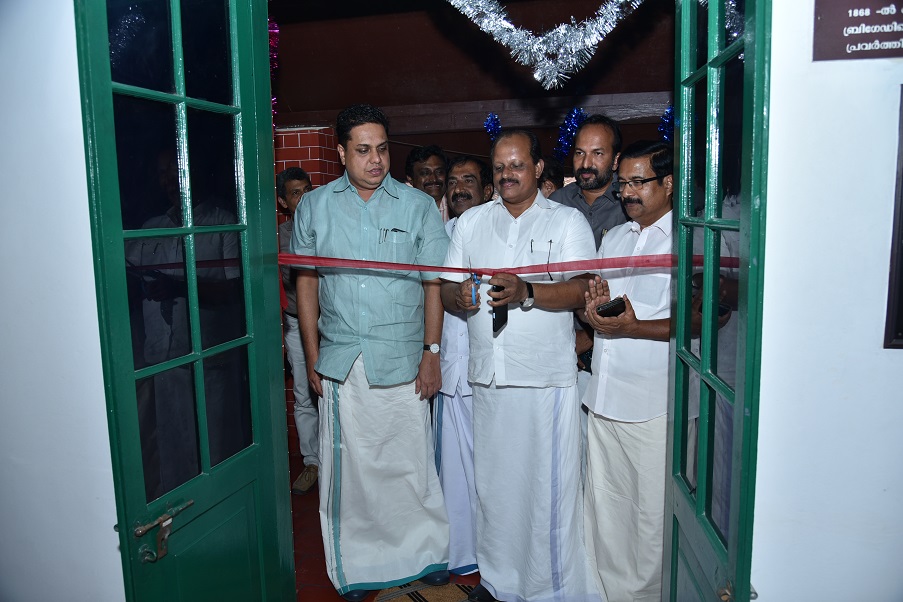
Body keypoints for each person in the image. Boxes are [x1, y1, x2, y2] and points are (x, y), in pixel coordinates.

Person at [289, 104, 451, 602]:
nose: (375, 160)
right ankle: (359, 565)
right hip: (343, 360)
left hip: (403, 358)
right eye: (362, 150)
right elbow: (306, 283)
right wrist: (313, 356)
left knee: (411, 464)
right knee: (352, 473)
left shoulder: (417, 206)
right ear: (341, 153)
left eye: (382, 149)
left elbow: (433, 283)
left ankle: (425, 554)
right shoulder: (314, 207)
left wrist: (432, 352)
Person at [440, 130, 601, 602]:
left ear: (538, 168)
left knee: (545, 490)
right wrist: (460, 296)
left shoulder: (566, 221)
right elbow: (447, 289)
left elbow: (583, 287)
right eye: (499, 167)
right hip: (489, 377)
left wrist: (528, 291)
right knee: (494, 488)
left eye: (517, 165)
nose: (507, 174)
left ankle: (548, 589)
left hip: (543, 378)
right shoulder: (471, 223)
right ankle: (499, 582)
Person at [581, 140, 675, 601]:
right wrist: (592, 311)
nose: (628, 193)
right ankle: (603, 592)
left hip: (654, 403)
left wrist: (635, 327)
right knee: (604, 506)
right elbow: (598, 304)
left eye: (639, 182)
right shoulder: (615, 237)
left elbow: (703, 318)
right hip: (604, 395)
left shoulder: (691, 240)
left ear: (669, 183)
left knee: (650, 515)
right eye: (623, 184)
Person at [433, 155, 493, 577]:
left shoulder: (497, 229)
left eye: (468, 180)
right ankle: (461, 555)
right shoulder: (440, 234)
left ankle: (497, 558)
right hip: (449, 370)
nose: (458, 188)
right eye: (453, 181)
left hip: (487, 374)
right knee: (452, 471)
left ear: (487, 189)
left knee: (490, 470)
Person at [276, 167, 319, 495]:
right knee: (304, 394)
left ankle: (339, 461)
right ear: (283, 202)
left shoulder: (327, 225)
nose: (303, 198)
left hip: (331, 324)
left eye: (307, 190)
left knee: (336, 393)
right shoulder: (278, 236)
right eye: (295, 193)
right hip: (295, 323)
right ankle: (312, 463)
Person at [549, 113, 627, 250]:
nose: (585, 164)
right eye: (580, 153)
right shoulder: (557, 202)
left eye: (597, 153)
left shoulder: (629, 200)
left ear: (615, 160)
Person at [406, 144, 449, 221]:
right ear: (410, 179)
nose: (434, 179)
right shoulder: (400, 203)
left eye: (439, 172)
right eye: (425, 173)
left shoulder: (457, 202)